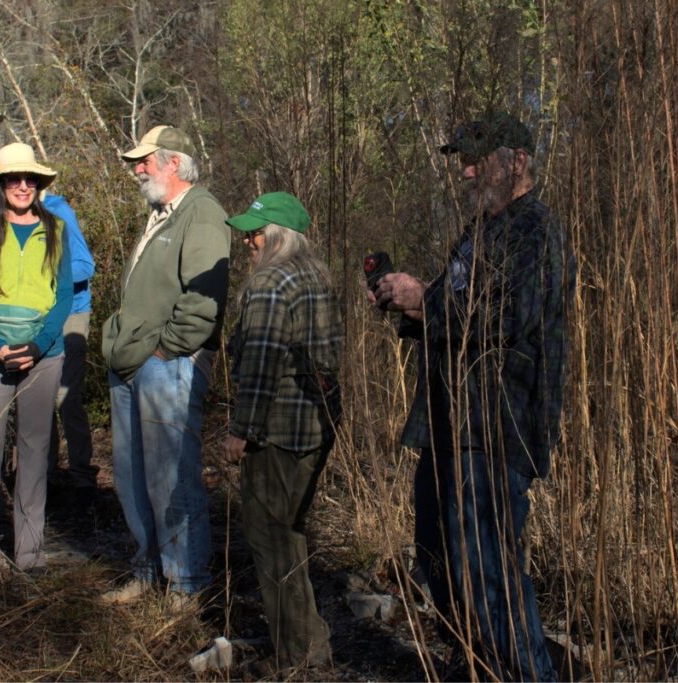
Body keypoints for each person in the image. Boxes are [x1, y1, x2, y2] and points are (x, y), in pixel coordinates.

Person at [369, 112, 575, 681]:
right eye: (462, 161)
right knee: (437, 558)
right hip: (450, 424)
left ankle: (528, 675)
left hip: (496, 428)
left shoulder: (535, 231)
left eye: (476, 160)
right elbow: (456, 312)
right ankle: (482, 666)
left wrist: (426, 299)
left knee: (489, 573)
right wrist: (409, 302)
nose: (465, 172)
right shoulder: (479, 233)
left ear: (518, 162)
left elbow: (508, 317)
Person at [101, 125, 231, 605]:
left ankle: (186, 583)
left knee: (171, 477)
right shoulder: (161, 214)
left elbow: (204, 295)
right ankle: (149, 570)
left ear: (173, 162)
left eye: (145, 160)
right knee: (132, 474)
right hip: (134, 362)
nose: (137, 169)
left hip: (167, 363)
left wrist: (166, 349)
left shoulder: (202, 211)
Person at [221, 192, 341, 670]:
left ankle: (295, 658)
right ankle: (310, 645)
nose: (247, 242)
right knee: (289, 535)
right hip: (314, 429)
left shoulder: (271, 282)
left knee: (270, 541)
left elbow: (261, 362)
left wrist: (242, 431)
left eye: (254, 233)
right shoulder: (317, 276)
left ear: (276, 236)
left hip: (277, 432)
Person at [0, 142, 73, 576]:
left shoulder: (57, 228)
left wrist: (39, 345)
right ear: (0, 185)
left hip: (43, 355)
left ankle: (30, 552)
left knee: (34, 451)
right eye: (14, 179)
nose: (23, 186)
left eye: (31, 179)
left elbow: (64, 294)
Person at [44, 192, 98, 503]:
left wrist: (43, 273)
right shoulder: (12, 215)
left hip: (71, 314)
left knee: (67, 397)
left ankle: (82, 476)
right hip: (38, 317)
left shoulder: (58, 211)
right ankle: (44, 474)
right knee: (38, 398)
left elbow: (84, 266)